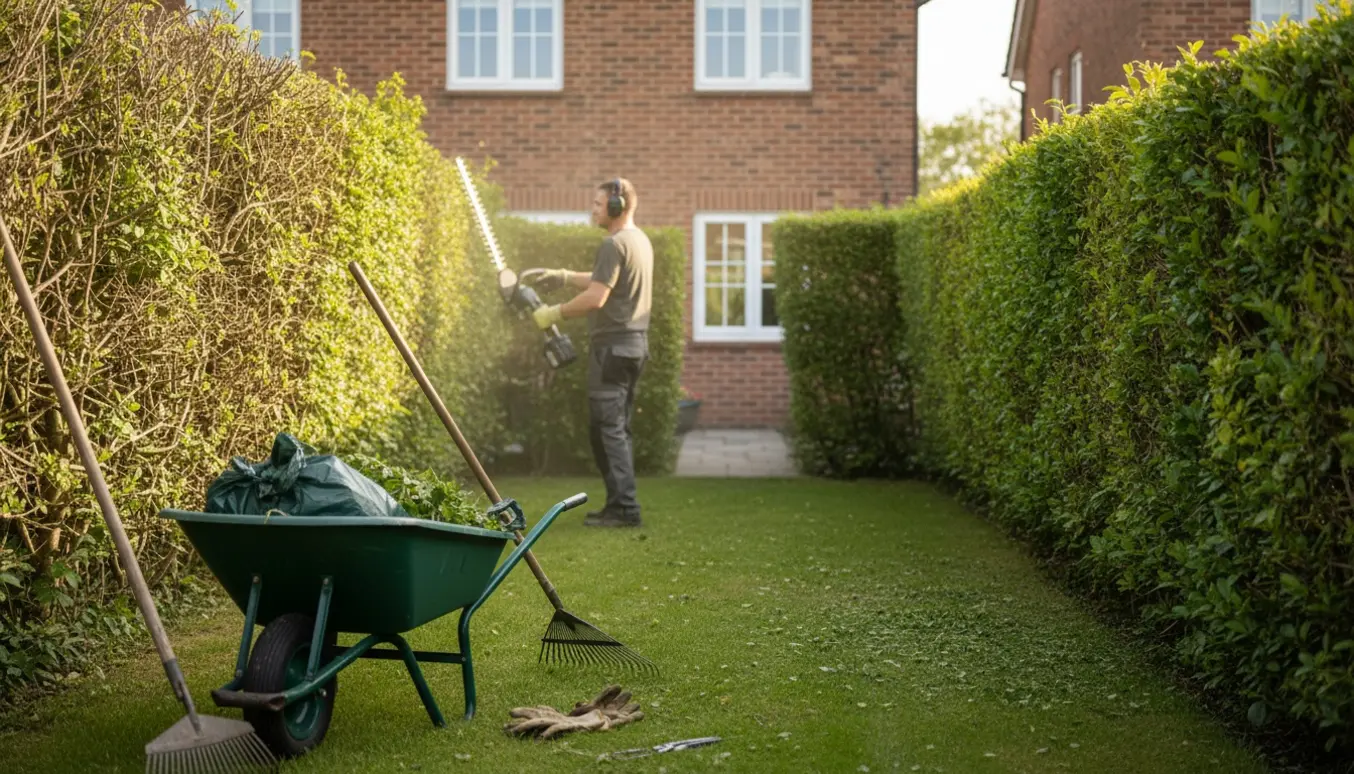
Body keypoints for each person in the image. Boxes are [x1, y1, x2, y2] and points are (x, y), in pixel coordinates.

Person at [527, 178, 652, 528]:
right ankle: (619, 504)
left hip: (611, 350)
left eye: (598, 205)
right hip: (634, 346)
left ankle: (625, 508)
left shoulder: (614, 243)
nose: (593, 210)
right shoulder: (638, 240)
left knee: (607, 430)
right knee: (617, 428)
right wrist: (565, 276)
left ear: (616, 206)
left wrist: (555, 312)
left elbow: (597, 297)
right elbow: (604, 280)